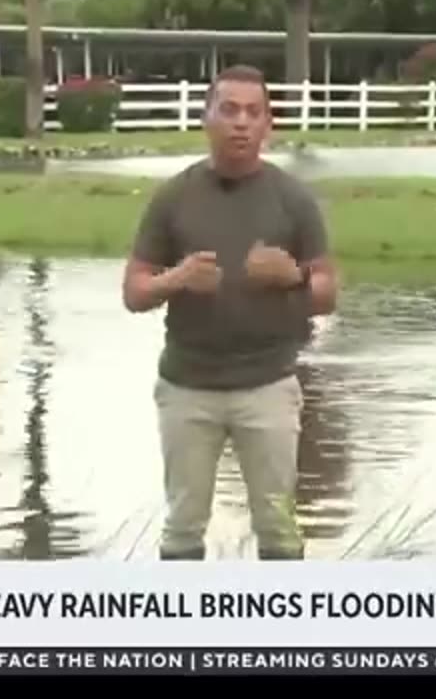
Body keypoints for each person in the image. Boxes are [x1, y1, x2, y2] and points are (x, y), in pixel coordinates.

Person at [121, 65, 340, 561]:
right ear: (206, 118)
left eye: (253, 112)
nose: (241, 122)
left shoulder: (293, 198)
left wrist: (294, 277)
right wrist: (175, 280)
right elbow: (134, 292)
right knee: (182, 528)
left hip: (268, 386)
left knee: (279, 530)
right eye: (229, 109)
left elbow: (328, 292)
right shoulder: (173, 196)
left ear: (268, 124)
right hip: (186, 388)